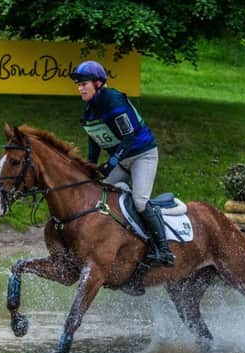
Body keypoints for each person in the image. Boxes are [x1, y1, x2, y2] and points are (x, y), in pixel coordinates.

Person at [70, 60, 174, 268]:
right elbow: (94, 138)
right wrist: (90, 167)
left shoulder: (114, 102)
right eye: (78, 84)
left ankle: (164, 250)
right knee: (98, 195)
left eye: (84, 83)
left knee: (140, 201)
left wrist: (111, 162)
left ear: (98, 83)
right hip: (123, 159)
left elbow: (128, 137)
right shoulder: (90, 108)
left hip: (143, 156)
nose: (80, 88)